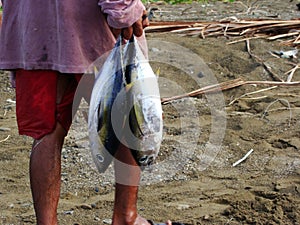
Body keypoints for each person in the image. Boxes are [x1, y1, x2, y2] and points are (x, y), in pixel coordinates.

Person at [0, 1, 178, 225]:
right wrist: (126, 10)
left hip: (33, 29)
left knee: (47, 132)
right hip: (90, 25)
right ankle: (126, 216)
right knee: (127, 116)